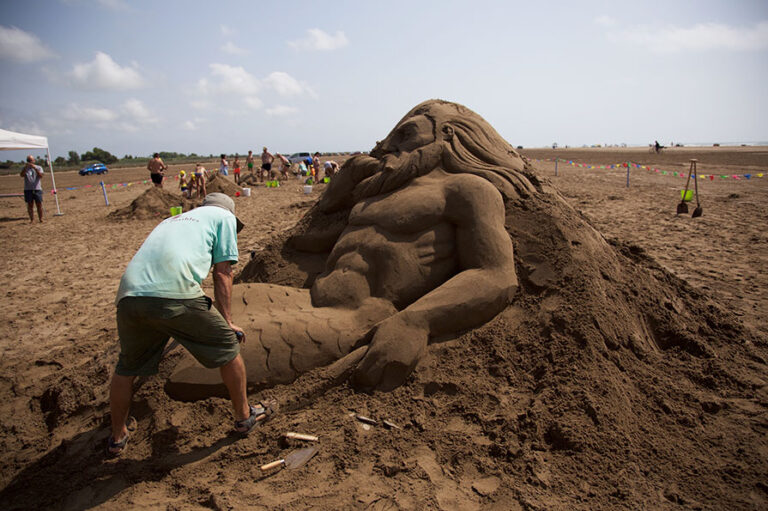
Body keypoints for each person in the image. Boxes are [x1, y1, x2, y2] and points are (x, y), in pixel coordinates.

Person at [169, 99, 532, 397]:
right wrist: (347, 176)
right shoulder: (383, 191)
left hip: (357, 317)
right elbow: (322, 220)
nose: (392, 146)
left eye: (407, 133)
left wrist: (416, 322)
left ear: (447, 135)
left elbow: (495, 273)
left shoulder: (466, 190)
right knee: (192, 318)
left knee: (196, 363)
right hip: (308, 299)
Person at [107, 193, 276, 457]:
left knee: (126, 367)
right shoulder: (224, 218)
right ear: (229, 214)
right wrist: (227, 321)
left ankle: (117, 436)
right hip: (174, 293)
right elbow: (223, 272)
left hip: (128, 296)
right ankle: (245, 417)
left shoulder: (171, 221)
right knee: (228, 345)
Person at [20, 155, 44, 223]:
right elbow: (21, 175)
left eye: (31, 160)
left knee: (39, 204)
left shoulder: (39, 167)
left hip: (37, 188)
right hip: (28, 189)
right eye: (28, 161)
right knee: (30, 205)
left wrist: (35, 169)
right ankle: (32, 219)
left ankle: (41, 219)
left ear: (34, 161)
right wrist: (25, 168)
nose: (30, 162)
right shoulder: (25, 168)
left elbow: (41, 176)